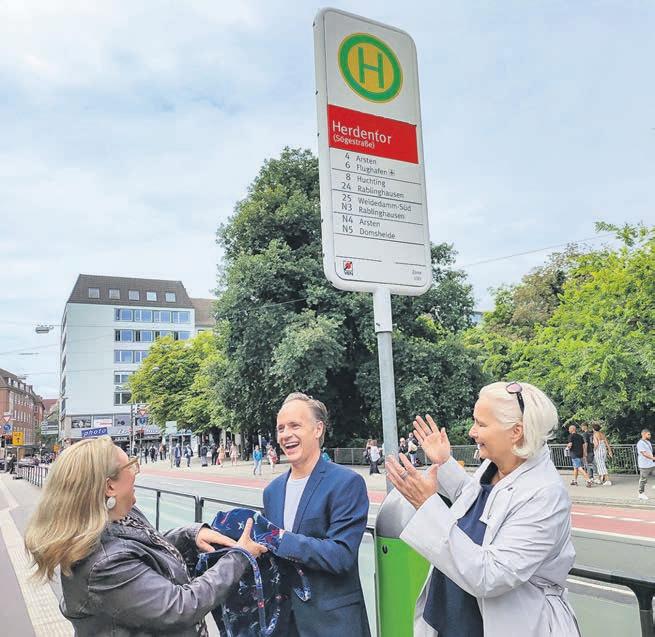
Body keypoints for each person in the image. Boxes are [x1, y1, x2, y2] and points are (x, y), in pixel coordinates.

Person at [385, 381, 580, 637]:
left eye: (481, 424)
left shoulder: (545, 494)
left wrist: (426, 506)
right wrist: (443, 462)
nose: (472, 432)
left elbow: (491, 575)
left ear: (516, 432)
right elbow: (475, 503)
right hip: (454, 623)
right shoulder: (497, 468)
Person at [24, 435, 266, 637]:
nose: (136, 471)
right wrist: (239, 557)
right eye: (130, 466)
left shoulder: (120, 515)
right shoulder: (103, 564)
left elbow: (146, 550)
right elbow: (181, 606)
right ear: (109, 487)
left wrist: (190, 536)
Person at [263, 392, 370, 637]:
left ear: (318, 429)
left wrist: (280, 539)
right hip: (284, 625)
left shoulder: (346, 483)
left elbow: (341, 555)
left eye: (295, 426)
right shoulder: (272, 491)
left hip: (333, 625)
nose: (285, 434)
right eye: (280, 428)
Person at [637, 429, 655, 501]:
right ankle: (641, 493)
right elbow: (644, 454)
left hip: (651, 463)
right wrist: (653, 458)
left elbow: (650, 452)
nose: (650, 435)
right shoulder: (640, 443)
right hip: (644, 465)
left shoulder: (648, 442)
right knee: (643, 480)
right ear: (643, 434)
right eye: (648, 434)